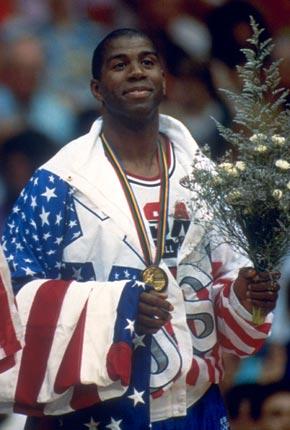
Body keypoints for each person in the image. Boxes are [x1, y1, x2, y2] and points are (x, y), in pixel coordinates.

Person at [0, 28, 280, 430]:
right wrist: (116, 308)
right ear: (97, 89)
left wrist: (245, 292)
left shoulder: (205, 178)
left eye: (147, 62)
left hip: (193, 407)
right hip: (91, 413)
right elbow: (12, 297)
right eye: (120, 64)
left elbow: (224, 288)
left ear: (164, 81)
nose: (136, 72)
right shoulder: (59, 183)